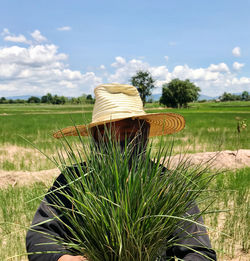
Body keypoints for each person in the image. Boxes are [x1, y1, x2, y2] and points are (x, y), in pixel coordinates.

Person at [26, 83, 217, 261]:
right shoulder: (74, 180)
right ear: (97, 134)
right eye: (121, 122)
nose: (133, 128)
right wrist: (63, 259)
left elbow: (199, 252)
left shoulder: (168, 184)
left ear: (146, 129)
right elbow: (40, 234)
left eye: (138, 122)